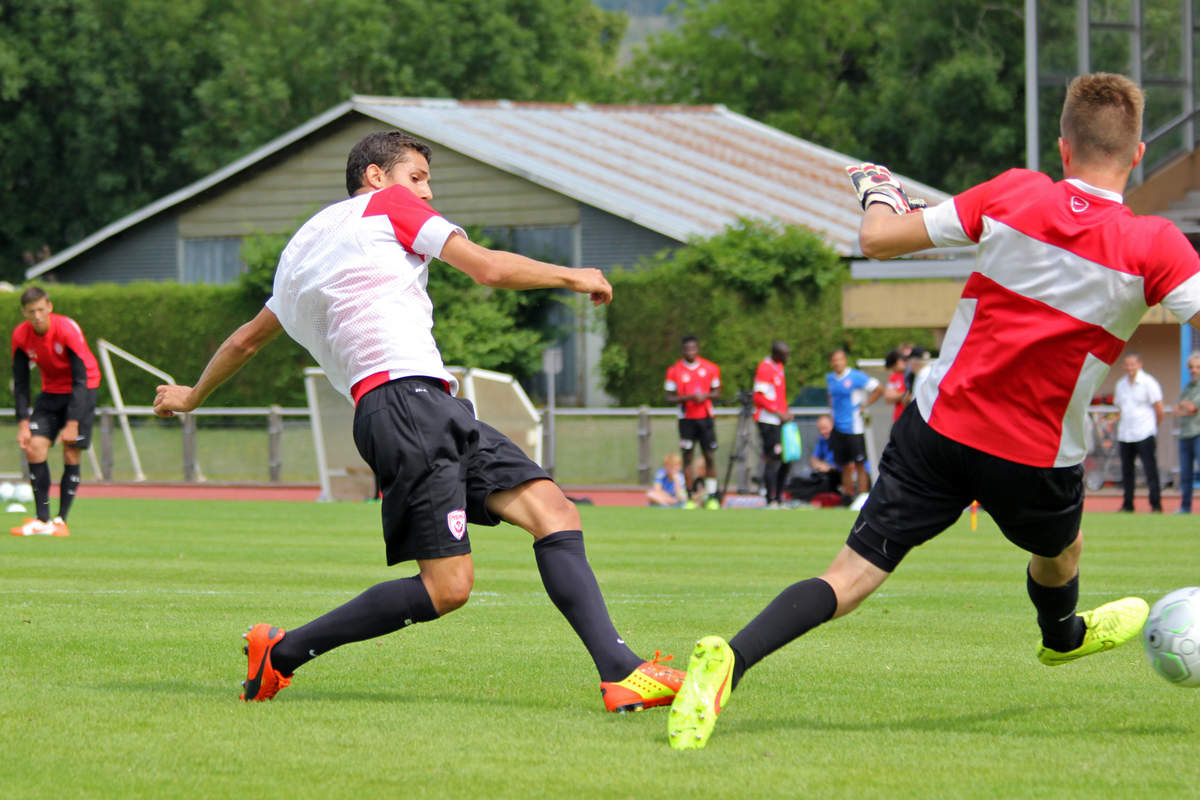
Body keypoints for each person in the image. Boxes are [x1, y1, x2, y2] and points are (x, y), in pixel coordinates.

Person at [668, 73, 1200, 749]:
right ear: (1140, 155)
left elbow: (880, 239)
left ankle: (730, 663)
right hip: (1034, 457)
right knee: (1061, 550)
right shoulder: (1155, 245)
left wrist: (881, 194)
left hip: (937, 429)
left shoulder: (1014, 193)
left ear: (1062, 149)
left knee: (850, 576)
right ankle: (1061, 636)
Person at [153, 130, 683, 711]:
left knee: (552, 510)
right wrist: (573, 275)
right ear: (376, 176)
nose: (427, 194)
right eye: (418, 177)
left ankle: (621, 672)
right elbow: (486, 269)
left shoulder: (302, 251)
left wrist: (193, 395)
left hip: (423, 405)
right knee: (447, 588)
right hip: (406, 404)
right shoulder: (386, 205)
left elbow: (247, 340)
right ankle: (280, 653)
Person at [9, 286, 101, 537]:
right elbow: (21, 382)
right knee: (34, 446)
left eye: (40, 309)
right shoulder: (20, 335)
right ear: (24, 312)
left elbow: (80, 379)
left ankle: (61, 520)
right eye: (31, 311)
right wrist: (22, 422)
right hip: (51, 393)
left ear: (49, 307)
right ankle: (42, 519)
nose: (37, 315)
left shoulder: (66, 329)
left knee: (71, 451)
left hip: (82, 389)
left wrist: (73, 422)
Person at [664, 335, 722, 509]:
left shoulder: (710, 368)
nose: (691, 352)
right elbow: (668, 397)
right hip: (686, 419)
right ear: (683, 350)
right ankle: (690, 498)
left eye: (693, 349)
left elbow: (717, 392)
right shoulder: (674, 371)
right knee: (687, 457)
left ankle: (712, 497)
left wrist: (704, 396)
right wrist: (688, 397)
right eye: (687, 349)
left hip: (705, 418)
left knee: (709, 457)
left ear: (697, 349)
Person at [826, 348, 884, 497]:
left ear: (845, 361)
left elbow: (878, 388)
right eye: (834, 360)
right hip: (838, 427)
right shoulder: (830, 379)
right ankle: (848, 495)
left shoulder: (855, 377)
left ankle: (863, 496)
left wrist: (864, 405)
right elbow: (831, 398)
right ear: (831, 363)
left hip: (854, 427)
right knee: (843, 464)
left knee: (859, 463)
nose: (837, 363)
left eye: (840, 359)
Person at [1113, 352, 1164, 512]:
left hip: (1144, 432)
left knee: (1150, 470)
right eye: (1126, 364)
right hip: (1125, 434)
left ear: (1139, 364)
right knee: (1127, 471)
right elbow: (1120, 408)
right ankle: (1128, 504)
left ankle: (1155, 505)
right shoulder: (1120, 384)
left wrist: (1153, 427)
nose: (1129, 368)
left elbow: (1159, 408)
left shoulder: (1149, 382)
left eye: (1132, 364)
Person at [752, 341, 792, 508]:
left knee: (786, 458)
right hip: (768, 421)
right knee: (773, 458)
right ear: (776, 354)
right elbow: (759, 397)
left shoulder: (779, 367)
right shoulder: (765, 368)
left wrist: (786, 411)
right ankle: (770, 499)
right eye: (785, 354)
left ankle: (780, 497)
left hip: (780, 421)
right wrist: (778, 412)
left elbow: (778, 395)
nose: (788, 358)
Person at [1174, 352, 1200, 514]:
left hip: (1198, 433)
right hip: (1185, 435)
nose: (1194, 370)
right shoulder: (1188, 388)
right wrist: (1186, 407)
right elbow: (1177, 409)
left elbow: (1192, 408)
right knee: (1185, 474)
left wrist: (1187, 407)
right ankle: (1185, 506)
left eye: (1198, 367)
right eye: (1191, 367)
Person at [883, 349, 908, 423]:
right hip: (900, 419)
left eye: (892, 367)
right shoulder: (895, 376)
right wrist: (905, 393)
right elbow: (888, 397)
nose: (892, 370)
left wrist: (898, 395)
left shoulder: (914, 374)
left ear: (898, 361)